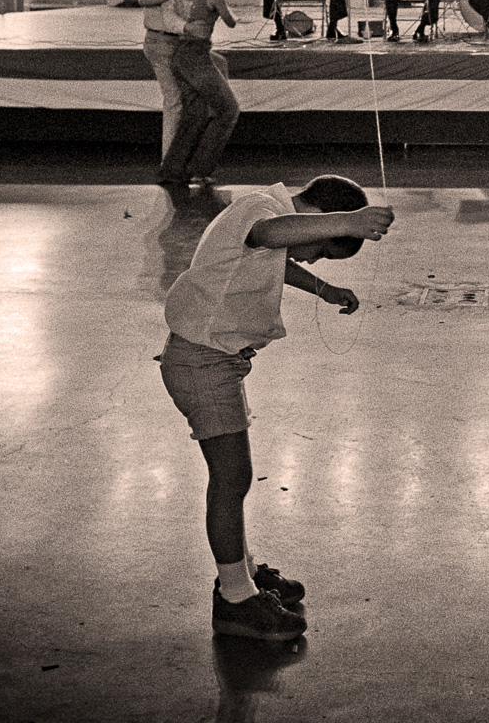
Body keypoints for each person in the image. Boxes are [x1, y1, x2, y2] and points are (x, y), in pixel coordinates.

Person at [158, 174, 394, 639]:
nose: (312, 255)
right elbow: (270, 236)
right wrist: (353, 220)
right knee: (231, 479)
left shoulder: (268, 214)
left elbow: (274, 260)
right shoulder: (259, 212)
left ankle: (241, 575)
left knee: (235, 479)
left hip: (216, 362)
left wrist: (323, 288)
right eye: (323, 249)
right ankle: (235, 600)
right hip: (202, 363)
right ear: (319, 220)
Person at [142, 0, 241, 185]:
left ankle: (172, 169)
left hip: (179, 57)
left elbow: (148, 0)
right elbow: (231, 22)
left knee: (194, 113)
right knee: (228, 110)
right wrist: (224, 13)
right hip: (197, 58)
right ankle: (201, 167)